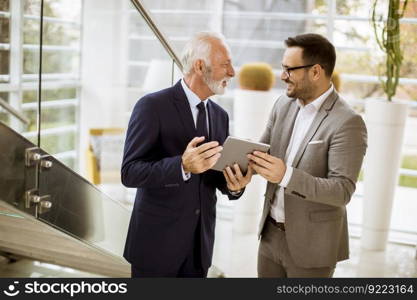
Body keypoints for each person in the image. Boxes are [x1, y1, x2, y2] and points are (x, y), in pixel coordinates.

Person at [121, 31, 252, 278]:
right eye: (225, 65)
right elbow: (130, 172)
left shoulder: (220, 116)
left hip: (198, 251)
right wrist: (182, 166)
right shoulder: (152, 106)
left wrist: (235, 185)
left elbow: (213, 177)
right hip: (156, 249)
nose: (232, 72)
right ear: (200, 66)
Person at [248, 33, 367, 277]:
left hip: (312, 248)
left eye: (289, 70)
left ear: (315, 72)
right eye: (283, 68)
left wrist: (287, 176)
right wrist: (239, 163)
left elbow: (341, 190)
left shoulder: (347, 122)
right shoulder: (283, 104)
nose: (282, 76)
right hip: (269, 237)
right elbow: (262, 150)